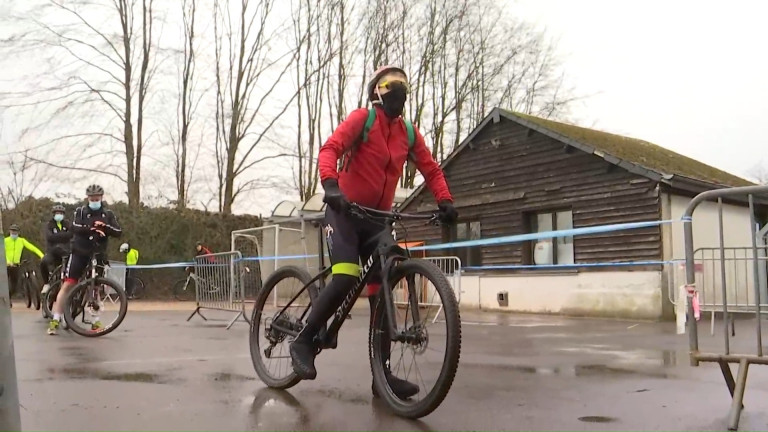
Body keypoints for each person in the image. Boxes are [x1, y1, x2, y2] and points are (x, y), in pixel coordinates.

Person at [289, 65, 458, 399]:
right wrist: (330, 184)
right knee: (346, 276)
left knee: (382, 291)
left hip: (378, 221)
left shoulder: (408, 132)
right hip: (344, 215)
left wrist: (446, 200)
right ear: (378, 91)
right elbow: (330, 149)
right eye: (394, 84)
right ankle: (303, 341)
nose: (401, 90)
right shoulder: (362, 119)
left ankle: (382, 375)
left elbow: (431, 168)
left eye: (405, 86)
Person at [48, 184, 122, 335]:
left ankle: (95, 321)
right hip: (80, 251)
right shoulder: (80, 211)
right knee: (69, 284)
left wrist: (105, 227)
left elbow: (118, 232)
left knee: (95, 287)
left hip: (98, 253)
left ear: (101, 198)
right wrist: (91, 228)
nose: (94, 201)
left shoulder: (108, 214)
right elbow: (74, 227)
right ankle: (55, 318)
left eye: (97, 198)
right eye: (92, 199)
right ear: (87, 198)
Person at [4, 224, 44, 308]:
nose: (14, 233)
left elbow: (32, 248)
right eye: (12, 231)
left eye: (15, 232)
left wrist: (41, 255)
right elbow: (2, 252)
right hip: (6, 265)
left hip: (16, 265)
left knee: (14, 285)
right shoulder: (5, 241)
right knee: (4, 283)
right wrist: (8, 261)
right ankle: (6, 300)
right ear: (10, 232)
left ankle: (8, 298)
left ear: (18, 233)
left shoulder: (21, 241)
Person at [40, 205, 73, 294]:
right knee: (43, 262)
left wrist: (57, 237)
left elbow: (71, 235)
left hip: (66, 252)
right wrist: (64, 236)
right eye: (57, 213)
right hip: (52, 252)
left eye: (61, 213)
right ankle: (46, 284)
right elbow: (49, 237)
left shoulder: (68, 224)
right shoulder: (49, 225)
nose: (59, 215)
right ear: (54, 214)